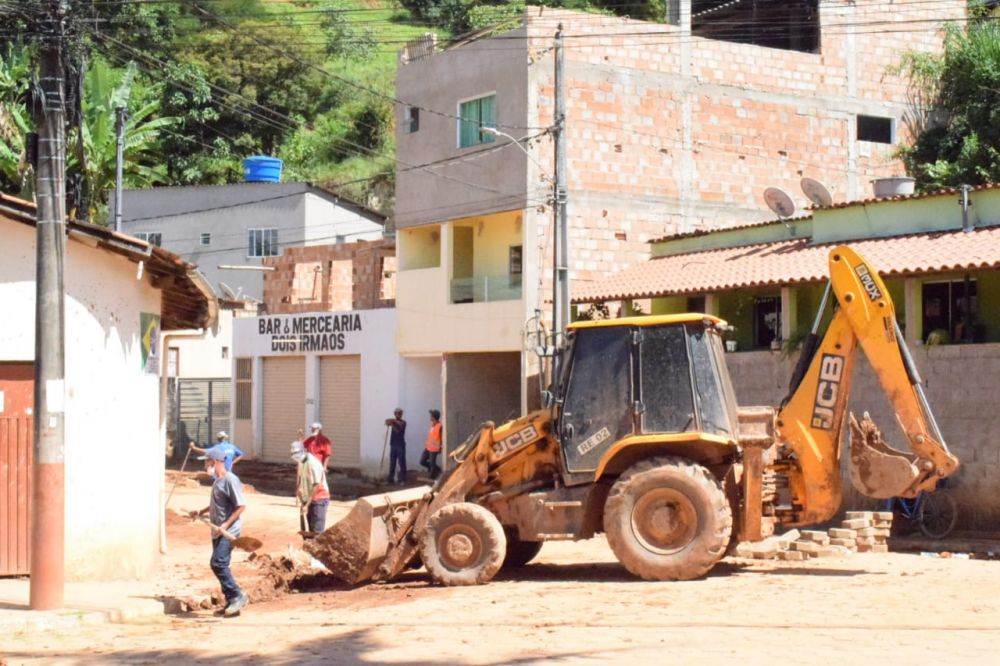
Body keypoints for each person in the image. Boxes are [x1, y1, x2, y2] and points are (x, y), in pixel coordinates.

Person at [189, 446, 248, 618]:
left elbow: (241, 506)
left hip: (229, 532)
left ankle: (237, 595)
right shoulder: (217, 481)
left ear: (214, 462)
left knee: (218, 563)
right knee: (222, 565)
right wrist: (200, 512)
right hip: (217, 531)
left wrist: (226, 525)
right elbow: (217, 504)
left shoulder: (230, 480)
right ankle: (231, 603)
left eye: (206, 462)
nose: (204, 466)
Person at [291, 440, 330, 536]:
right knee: (308, 530)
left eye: (296, 453)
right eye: (293, 454)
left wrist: (306, 505)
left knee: (317, 532)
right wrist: (298, 489)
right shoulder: (301, 462)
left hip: (319, 499)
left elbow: (316, 485)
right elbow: (300, 478)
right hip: (307, 498)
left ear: (303, 451)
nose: (294, 456)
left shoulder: (312, 463)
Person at [384, 408, 407, 485]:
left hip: (400, 445)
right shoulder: (394, 421)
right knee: (392, 463)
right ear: (395, 414)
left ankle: (402, 480)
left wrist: (392, 423)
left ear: (401, 414)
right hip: (393, 445)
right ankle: (390, 479)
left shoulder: (403, 422)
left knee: (401, 463)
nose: (398, 415)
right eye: (396, 413)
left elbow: (397, 431)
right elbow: (386, 422)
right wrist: (391, 422)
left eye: (399, 413)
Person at [420, 409, 443, 480]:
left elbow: (442, 437)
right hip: (428, 447)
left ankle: (433, 476)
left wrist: (440, 448)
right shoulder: (433, 425)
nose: (430, 417)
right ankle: (438, 469)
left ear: (434, 417)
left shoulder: (440, 426)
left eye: (431, 415)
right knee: (422, 461)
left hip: (434, 448)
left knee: (432, 463)